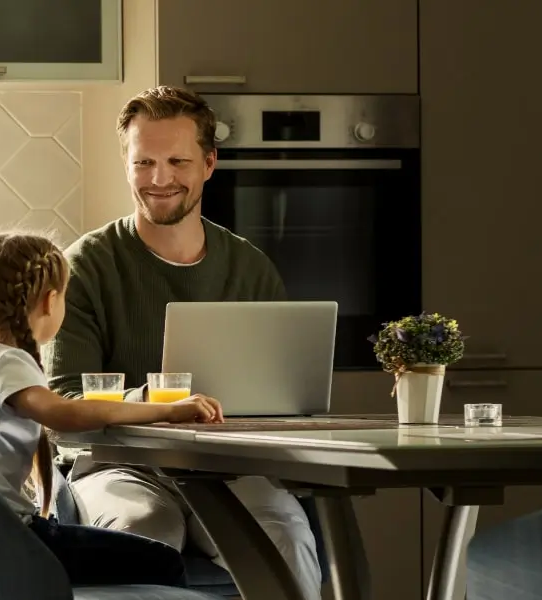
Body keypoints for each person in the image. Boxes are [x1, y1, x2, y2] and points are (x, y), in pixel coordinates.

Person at [44, 85, 323, 598]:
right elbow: (63, 405)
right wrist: (157, 407)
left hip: (231, 469)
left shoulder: (249, 268)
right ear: (126, 163)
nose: (160, 178)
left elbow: (284, 402)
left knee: (285, 537)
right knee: (141, 531)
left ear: (209, 163)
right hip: (119, 466)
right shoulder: (84, 267)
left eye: (177, 160)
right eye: (144, 161)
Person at [0, 229, 227, 588]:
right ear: (50, 301)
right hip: (9, 539)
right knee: (163, 561)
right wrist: (165, 410)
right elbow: (67, 415)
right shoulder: (10, 363)